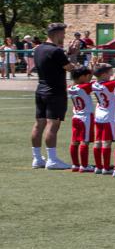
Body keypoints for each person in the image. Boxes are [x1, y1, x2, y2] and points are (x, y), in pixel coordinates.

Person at [30, 23, 72, 170]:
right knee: (52, 125)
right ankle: (52, 160)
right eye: (63, 33)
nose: (64, 36)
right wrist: (73, 55)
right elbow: (70, 68)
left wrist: (67, 54)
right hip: (55, 92)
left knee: (39, 124)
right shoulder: (56, 51)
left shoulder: (38, 49)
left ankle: (37, 158)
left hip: (40, 90)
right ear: (57, 33)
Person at [89, 63, 115, 173]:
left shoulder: (94, 84)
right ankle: (105, 167)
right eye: (110, 71)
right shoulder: (110, 85)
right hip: (108, 116)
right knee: (106, 142)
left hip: (99, 114)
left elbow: (113, 79)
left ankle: (98, 166)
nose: (112, 73)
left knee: (98, 141)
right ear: (104, 74)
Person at [67, 65, 94, 172]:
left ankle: (75, 164)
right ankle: (84, 165)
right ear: (82, 77)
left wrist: (90, 68)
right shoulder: (85, 87)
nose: (89, 77)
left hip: (76, 116)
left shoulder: (70, 88)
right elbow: (96, 84)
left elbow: (85, 82)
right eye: (87, 76)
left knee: (74, 141)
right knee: (85, 141)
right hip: (85, 117)